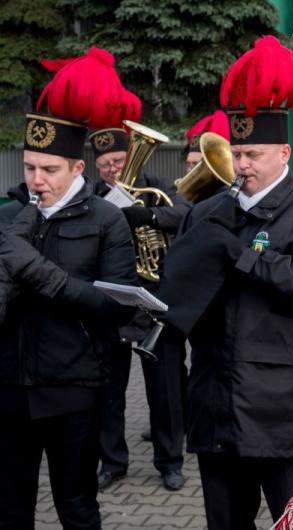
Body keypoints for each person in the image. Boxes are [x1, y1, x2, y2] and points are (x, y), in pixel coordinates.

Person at [156, 36, 293, 529]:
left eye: (253, 153)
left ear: (285, 153)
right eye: (237, 152)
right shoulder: (210, 210)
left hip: (283, 411)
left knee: (291, 520)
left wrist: (246, 259)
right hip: (215, 404)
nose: (242, 165)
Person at [0, 48, 138, 528]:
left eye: (50, 170)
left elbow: (117, 307)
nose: (37, 180)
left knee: (76, 506)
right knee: (10, 507)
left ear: (78, 169)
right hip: (10, 386)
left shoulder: (107, 220)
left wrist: (45, 277)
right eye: (29, 167)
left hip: (75, 388)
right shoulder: (10, 214)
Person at [89, 121, 192, 492]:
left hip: (155, 303)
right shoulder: (91, 195)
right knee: (109, 391)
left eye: (118, 160)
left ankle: (169, 462)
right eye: (105, 164)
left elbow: (185, 215)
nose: (113, 169)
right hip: (112, 302)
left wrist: (148, 216)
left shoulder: (158, 187)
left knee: (164, 390)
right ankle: (112, 462)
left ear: (130, 155)